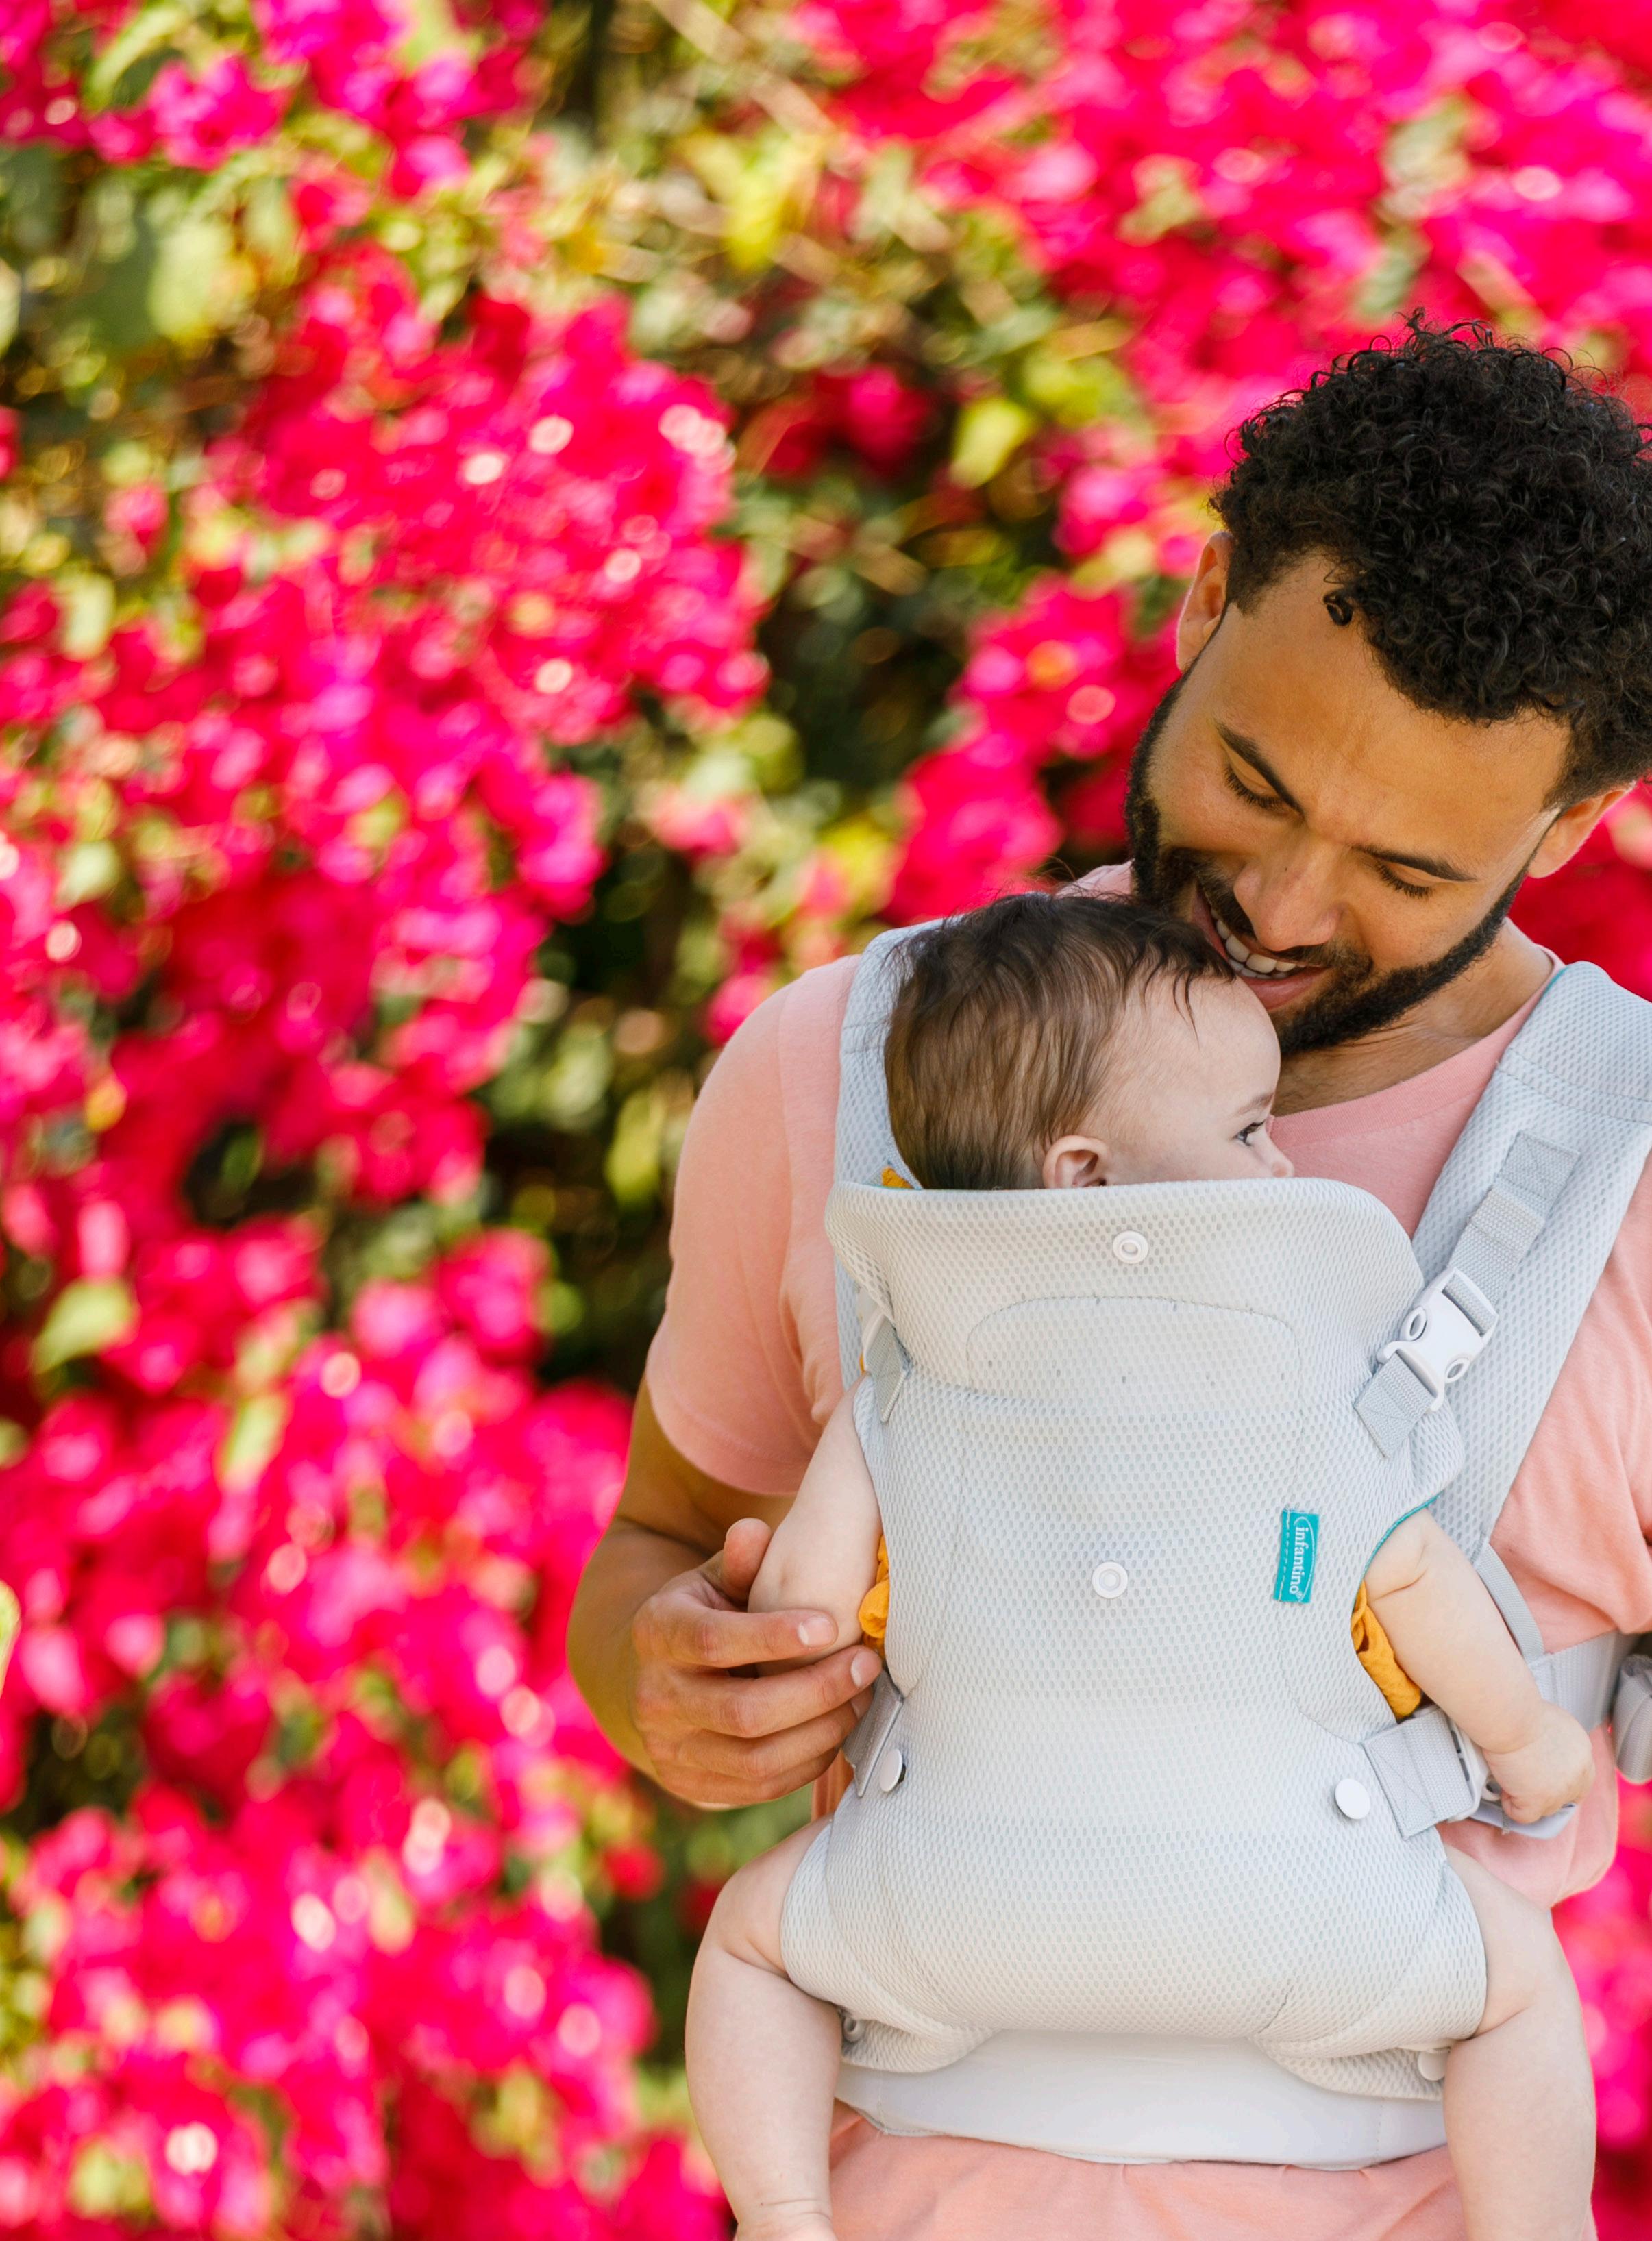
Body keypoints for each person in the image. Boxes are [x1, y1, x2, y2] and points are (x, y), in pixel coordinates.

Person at [568, 318, 1652, 2238]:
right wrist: (667, 1681)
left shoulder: (1631, 1177)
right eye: (1253, 780)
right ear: (1201, 599)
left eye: (1406, 871)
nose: (1282, 910)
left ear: (1565, 828)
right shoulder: (837, 1068)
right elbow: (649, 1552)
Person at [684, 891, 1597, 2241]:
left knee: (754, 1945)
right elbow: (1409, 1580)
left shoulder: (901, 1388)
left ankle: (779, 2213)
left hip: (953, 1895)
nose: (1282, 1166)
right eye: (1249, 1130)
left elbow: (804, 1613)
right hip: (1300, 1902)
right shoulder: (1309, 1381)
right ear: (1084, 1176)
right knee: (1514, 1987)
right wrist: (1529, 1745)